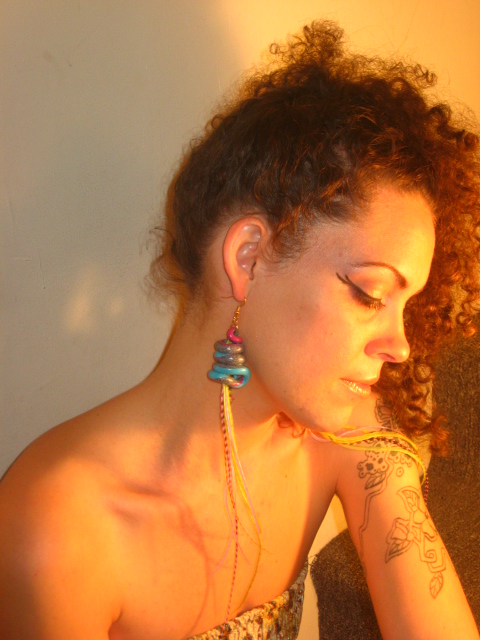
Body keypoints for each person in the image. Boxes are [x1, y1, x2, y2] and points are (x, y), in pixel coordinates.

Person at [0, 20, 479, 640]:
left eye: (405, 306)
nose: (400, 346)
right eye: (369, 294)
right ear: (248, 256)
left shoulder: (340, 431)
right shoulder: (61, 527)